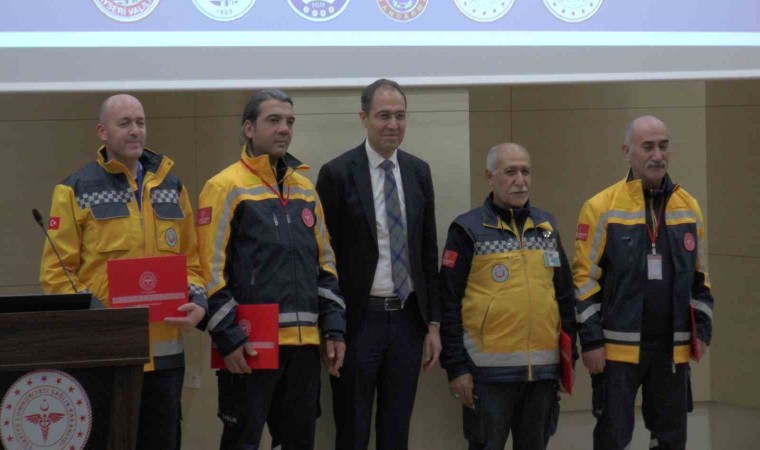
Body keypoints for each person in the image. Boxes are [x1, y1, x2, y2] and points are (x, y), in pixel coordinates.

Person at [39, 94, 208, 450]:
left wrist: (198, 302)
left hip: (164, 358)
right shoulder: (75, 190)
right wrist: (103, 320)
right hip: (107, 353)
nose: (135, 131)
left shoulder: (173, 187)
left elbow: (192, 262)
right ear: (102, 132)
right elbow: (57, 276)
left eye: (140, 122)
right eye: (125, 123)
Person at [197, 88, 346, 450]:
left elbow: (326, 266)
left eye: (289, 122)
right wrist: (228, 337)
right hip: (249, 346)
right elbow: (209, 272)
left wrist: (334, 328)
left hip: (304, 349)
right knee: (242, 442)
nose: (284, 129)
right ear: (248, 128)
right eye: (274, 120)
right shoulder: (224, 187)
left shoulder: (306, 190)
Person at [573, 115, 714, 450]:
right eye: (648, 147)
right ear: (627, 152)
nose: (657, 155)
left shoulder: (689, 207)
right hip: (616, 350)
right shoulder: (600, 208)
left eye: (663, 146)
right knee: (612, 438)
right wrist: (591, 341)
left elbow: (700, 278)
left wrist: (702, 330)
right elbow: (583, 280)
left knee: (670, 439)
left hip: (672, 349)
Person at [315, 78, 441, 450]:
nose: (393, 124)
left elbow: (427, 251)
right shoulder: (337, 174)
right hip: (358, 322)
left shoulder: (418, 172)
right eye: (384, 116)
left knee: (396, 430)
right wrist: (331, 328)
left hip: (407, 320)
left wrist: (433, 324)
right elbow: (323, 257)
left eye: (400, 116)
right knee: (352, 430)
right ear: (364, 118)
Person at [439, 143, 577, 450]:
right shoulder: (467, 230)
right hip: (487, 377)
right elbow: (448, 303)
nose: (520, 180)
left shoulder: (546, 228)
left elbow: (565, 297)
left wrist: (569, 361)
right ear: (490, 176)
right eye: (510, 172)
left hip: (542, 375)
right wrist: (456, 368)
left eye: (526, 171)